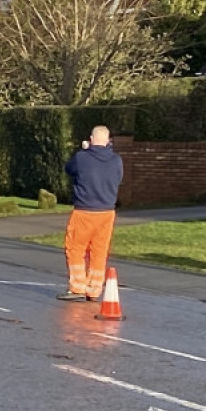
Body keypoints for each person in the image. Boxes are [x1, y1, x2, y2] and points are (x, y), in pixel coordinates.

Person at [57, 125, 124, 302]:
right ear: (109, 141)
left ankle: (77, 286)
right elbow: (119, 178)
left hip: (85, 210)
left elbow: (69, 169)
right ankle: (94, 289)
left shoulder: (82, 158)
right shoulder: (117, 160)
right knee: (100, 250)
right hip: (107, 212)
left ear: (91, 139)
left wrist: (85, 149)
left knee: (75, 248)